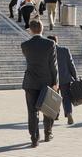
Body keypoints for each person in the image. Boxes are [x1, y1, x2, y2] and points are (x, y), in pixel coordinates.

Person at [21, 19, 58, 147]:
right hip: (46, 81)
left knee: (32, 111)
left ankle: (34, 138)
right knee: (47, 109)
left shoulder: (25, 45)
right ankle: (48, 133)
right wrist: (55, 82)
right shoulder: (50, 44)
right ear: (42, 29)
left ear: (30, 30)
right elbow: (53, 65)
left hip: (30, 82)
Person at [48, 34, 79, 124]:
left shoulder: (47, 52)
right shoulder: (65, 50)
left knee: (54, 97)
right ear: (56, 41)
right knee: (66, 97)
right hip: (65, 78)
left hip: (52, 79)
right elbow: (71, 64)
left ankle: (55, 115)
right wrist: (75, 76)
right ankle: (69, 113)